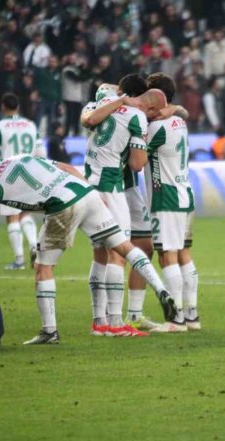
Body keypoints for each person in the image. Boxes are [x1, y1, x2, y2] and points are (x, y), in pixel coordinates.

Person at [0, 147, 177, 345]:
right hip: (85, 192)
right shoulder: (20, 157)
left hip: (61, 205)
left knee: (43, 267)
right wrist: (89, 188)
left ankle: (49, 331)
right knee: (123, 247)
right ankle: (161, 289)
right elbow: (64, 166)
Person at [78, 84, 167, 336]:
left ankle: (100, 321)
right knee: (118, 253)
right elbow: (137, 165)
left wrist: (125, 96)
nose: (157, 117)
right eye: (157, 112)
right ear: (149, 107)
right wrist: (142, 142)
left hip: (89, 183)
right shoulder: (137, 117)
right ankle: (116, 322)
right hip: (111, 186)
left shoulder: (101, 102)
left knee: (100, 254)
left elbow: (103, 90)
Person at [146, 73, 201, 333]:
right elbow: (182, 112)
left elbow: (135, 156)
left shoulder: (156, 128)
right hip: (185, 193)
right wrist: (176, 108)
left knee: (166, 255)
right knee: (183, 253)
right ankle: (192, 315)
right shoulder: (179, 120)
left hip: (165, 196)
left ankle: (176, 320)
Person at [0, 92, 46, 270]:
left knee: (12, 217)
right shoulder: (30, 125)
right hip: (30, 173)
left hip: (9, 174)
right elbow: (41, 153)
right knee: (25, 213)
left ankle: (19, 260)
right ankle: (33, 245)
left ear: (2, 106)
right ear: (18, 107)